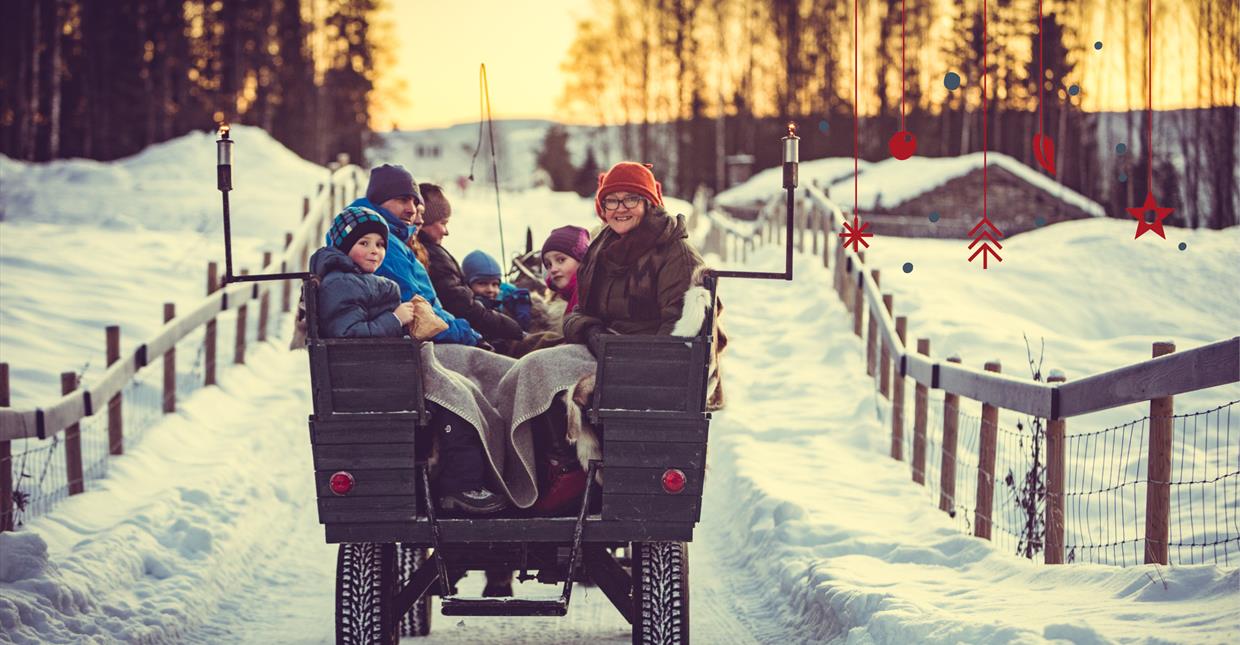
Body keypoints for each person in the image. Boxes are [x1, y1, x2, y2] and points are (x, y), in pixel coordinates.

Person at [310, 206, 507, 515]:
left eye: (379, 244)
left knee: (469, 381)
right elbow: (351, 338)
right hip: (378, 378)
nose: (374, 251)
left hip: (392, 368)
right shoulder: (342, 284)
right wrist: (396, 318)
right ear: (344, 246)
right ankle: (461, 485)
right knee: (454, 398)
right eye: (364, 243)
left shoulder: (359, 280)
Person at [563, 162, 704, 349]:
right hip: (603, 353)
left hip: (645, 363)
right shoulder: (599, 249)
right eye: (611, 200)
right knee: (531, 364)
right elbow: (578, 311)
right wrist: (589, 330)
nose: (620, 208)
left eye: (631, 199)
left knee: (536, 368)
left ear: (649, 204)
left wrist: (625, 363)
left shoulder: (676, 255)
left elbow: (679, 335)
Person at [348, 165, 481, 346]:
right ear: (379, 201)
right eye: (403, 200)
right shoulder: (381, 245)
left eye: (414, 202)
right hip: (412, 349)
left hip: (429, 337)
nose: (411, 210)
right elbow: (419, 313)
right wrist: (468, 335)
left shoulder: (394, 241)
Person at [415, 183, 525, 345]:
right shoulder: (434, 257)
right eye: (443, 223)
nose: (446, 231)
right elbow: (464, 308)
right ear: (425, 222)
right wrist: (513, 329)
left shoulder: (425, 252)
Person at [462, 249, 533, 332]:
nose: (490, 290)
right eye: (482, 283)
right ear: (467, 284)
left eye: (495, 284)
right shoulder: (462, 309)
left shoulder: (504, 299)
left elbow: (513, 292)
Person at [539, 225, 590, 316]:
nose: (553, 269)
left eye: (561, 260)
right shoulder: (566, 299)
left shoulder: (593, 297)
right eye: (549, 264)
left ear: (581, 259)